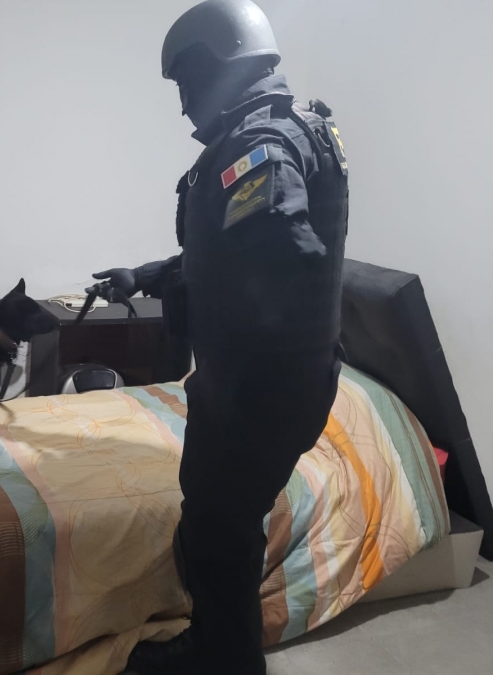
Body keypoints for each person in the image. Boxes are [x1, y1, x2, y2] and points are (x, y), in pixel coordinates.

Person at [89, 1, 349, 673]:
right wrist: (143, 277)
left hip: (260, 391)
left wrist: (226, 317)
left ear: (219, 64)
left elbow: (283, 255)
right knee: (213, 524)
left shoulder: (261, 146)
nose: (183, 104)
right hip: (259, 384)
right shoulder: (281, 131)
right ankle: (214, 642)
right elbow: (228, 250)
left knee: (219, 532)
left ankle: (228, 661)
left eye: (186, 82)